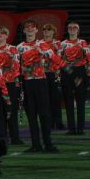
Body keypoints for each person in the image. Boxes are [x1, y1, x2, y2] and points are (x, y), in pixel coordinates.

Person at [16, 21, 60, 153]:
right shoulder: (19, 47)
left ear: (36, 30)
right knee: (31, 114)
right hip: (27, 82)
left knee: (44, 114)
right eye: (27, 27)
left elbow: (57, 60)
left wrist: (45, 53)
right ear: (24, 31)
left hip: (41, 82)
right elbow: (15, 68)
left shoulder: (42, 44)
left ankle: (48, 144)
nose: (29, 29)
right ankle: (35, 145)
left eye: (32, 27)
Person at [0, 27, 23, 145]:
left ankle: (15, 137)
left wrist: (11, 58)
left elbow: (17, 67)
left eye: (2, 33)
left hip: (10, 84)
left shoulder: (13, 49)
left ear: (6, 36)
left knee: (11, 110)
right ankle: (2, 137)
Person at [59, 22, 90, 135]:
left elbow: (89, 59)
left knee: (80, 101)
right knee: (68, 102)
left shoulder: (83, 42)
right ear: (67, 30)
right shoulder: (63, 44)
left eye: (75, 28)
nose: (72, 29)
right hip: (67, 73)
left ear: (78, 30)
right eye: (70, 28)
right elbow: (59, 59)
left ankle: (81, 128)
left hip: (80, 72)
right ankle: (71, 128)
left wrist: (88, 74)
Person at [40, 23, 66, 131]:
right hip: (42, 74)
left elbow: (60, 58)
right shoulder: (39, 43)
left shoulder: (57, 43)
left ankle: (58, 122)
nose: (46, 31)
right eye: (44, 29)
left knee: (56, 98)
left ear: (53, 32)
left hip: (55, 73)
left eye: (49, 29)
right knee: (45, 99)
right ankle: (49, 123)